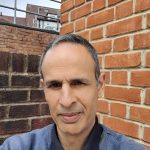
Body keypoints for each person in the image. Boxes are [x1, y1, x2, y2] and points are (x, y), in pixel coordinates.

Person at [0, 34, 146, 150]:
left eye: (78, 83)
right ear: (44, 88)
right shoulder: (16, 147)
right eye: (55, 85)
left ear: (100, 85)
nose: (66, 101)